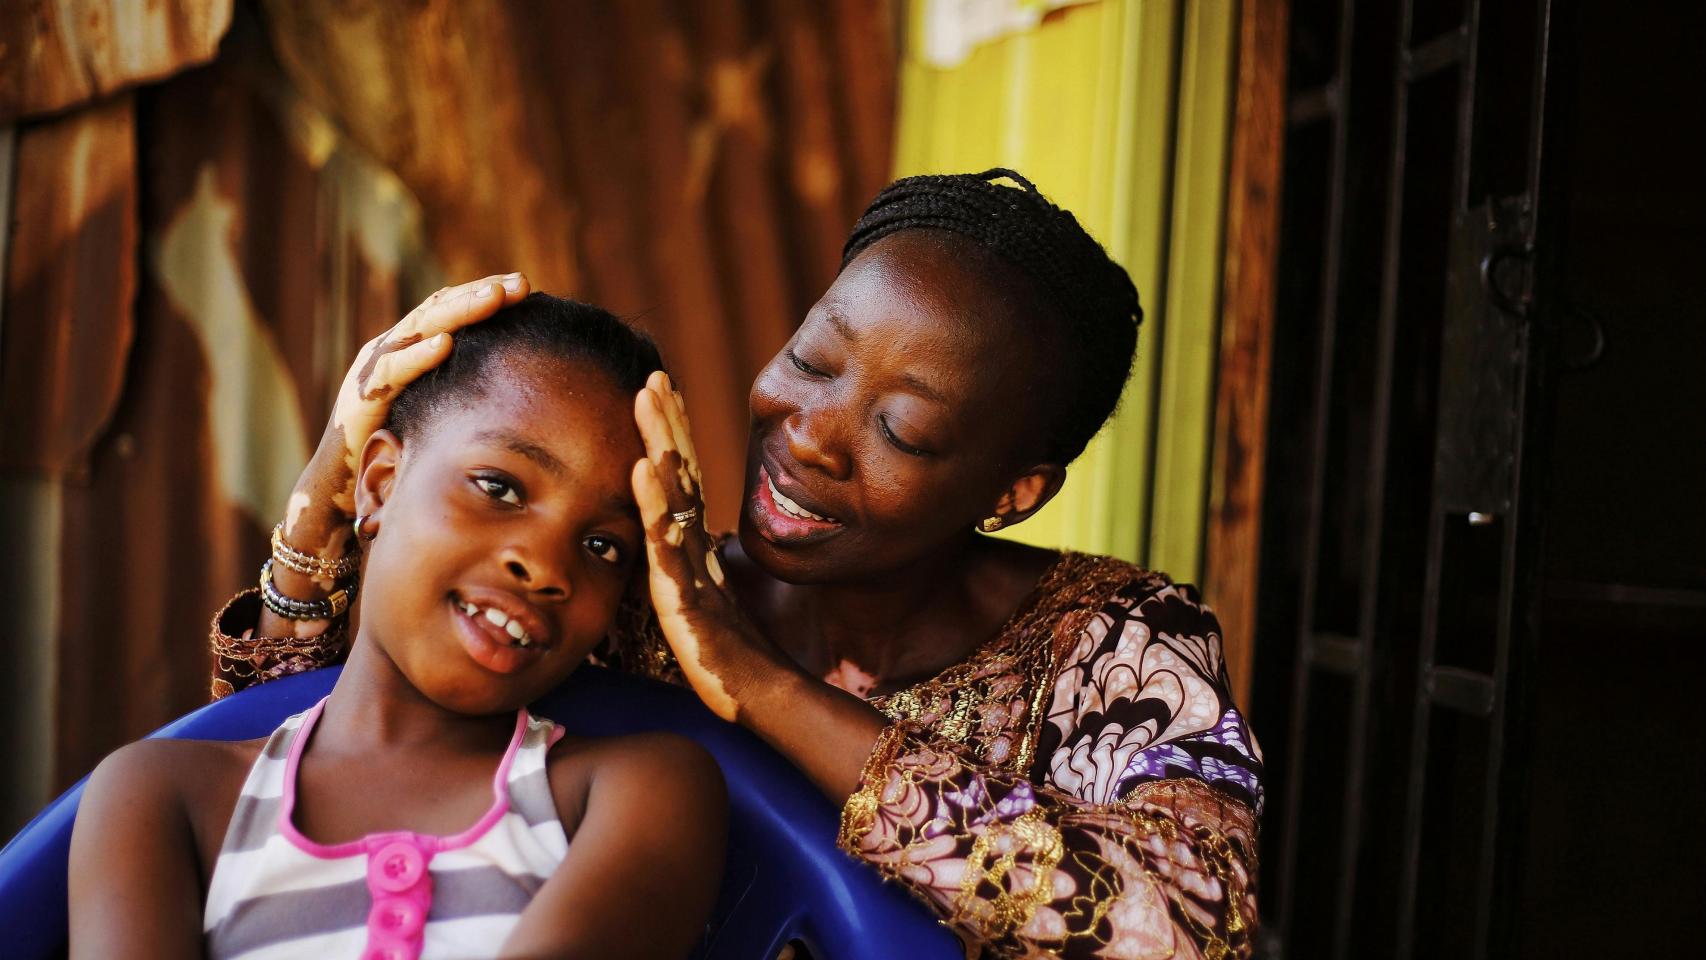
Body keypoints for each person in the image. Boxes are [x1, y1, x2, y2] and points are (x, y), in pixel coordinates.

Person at [213, 170, 1264, 959]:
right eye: (811, 359)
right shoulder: (627, 590)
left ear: (1013, 491)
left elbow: (1188, 930)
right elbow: (303, 760)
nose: (809, 435)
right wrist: (330, 494)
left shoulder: (1117, 646)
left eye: (901, 430)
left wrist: (753, 681)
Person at [71, 295, 726, 960]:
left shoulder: (638, 791)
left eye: (603, 546)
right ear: (380, 484)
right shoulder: (161, 794)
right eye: (499, 488)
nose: (546, 566)